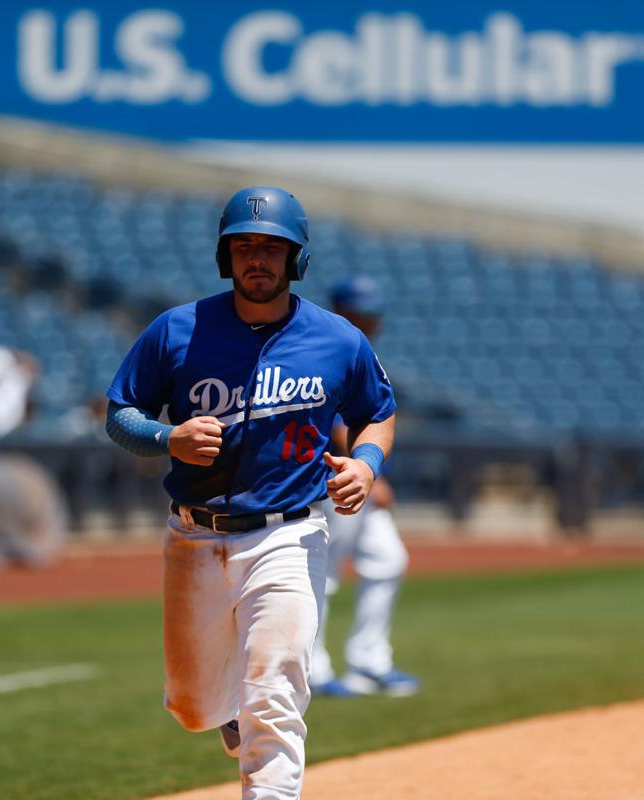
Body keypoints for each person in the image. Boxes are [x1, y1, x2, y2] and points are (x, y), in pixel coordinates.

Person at [105, 187, 396, 800]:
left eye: (271, 247)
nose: (256, 259)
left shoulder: (338, 339)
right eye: (243, 246)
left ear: (297, 259)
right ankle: (228, 708)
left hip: (289, 533)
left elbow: (379, 413)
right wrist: (166, 435)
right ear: (225, 256)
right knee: (191, 705)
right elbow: (120, 413)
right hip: (194, 535)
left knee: (277, 686)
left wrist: (366, 464)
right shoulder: (178, 330)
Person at [309, 277, 420, 698]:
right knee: (323, 575)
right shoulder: (326, 344)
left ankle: (370, 662)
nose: (372, 320)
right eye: (363, 312)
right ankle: (313, 669)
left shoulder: (358, 346)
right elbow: (335, 422)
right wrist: (371, 476)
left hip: (360, 477)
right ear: (343, 310)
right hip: (334, 480)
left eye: (374, 313)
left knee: (388, 559)